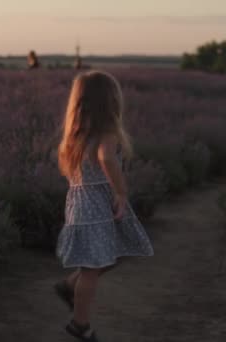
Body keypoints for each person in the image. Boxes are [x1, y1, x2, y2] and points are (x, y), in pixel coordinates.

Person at [54, 71, 154, 342]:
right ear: (110, 101)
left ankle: (69, 285)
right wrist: (121, 191)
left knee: (112, 253)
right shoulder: (106, 132)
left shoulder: (76, 134)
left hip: (82, 205)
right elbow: (107, 158)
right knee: (93, 267)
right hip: (96, 206)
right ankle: (80, 324)